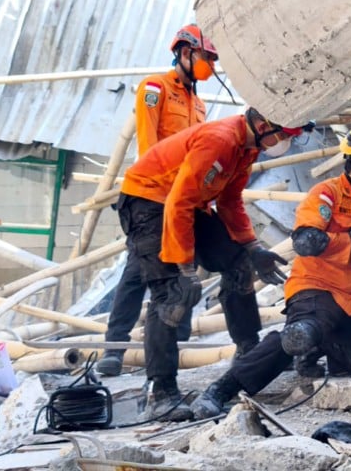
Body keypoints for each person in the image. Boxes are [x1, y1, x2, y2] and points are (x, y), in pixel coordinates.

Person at [189, 122, 351, 420]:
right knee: (299, 335)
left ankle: (328, 345)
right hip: (317, 289)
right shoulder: (327, 195)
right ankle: (222, 389)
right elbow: (306, 241)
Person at [117, 106, 304, 420]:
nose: (284, 140)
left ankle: (248, 352)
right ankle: (162, 392)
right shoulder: (219, 140)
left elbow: (230, 201)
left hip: (188, 202)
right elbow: (178, 202)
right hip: (149, 201)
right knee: (172, 293)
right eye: (283, 134)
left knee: (238, 265)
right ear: (261, 124)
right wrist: (184, 267)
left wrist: (252, 247)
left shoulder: (247, 148)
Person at [97, 24, 217, 378]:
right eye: (205, 57)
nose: (209, 64)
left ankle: (178, 340)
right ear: (184, 53)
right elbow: (150, 147)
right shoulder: (155, 88)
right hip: (151, 196)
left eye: (211, 59)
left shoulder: (199, 104)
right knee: (137, 271)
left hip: (182, 199)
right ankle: (115, 347)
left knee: (184, 267)